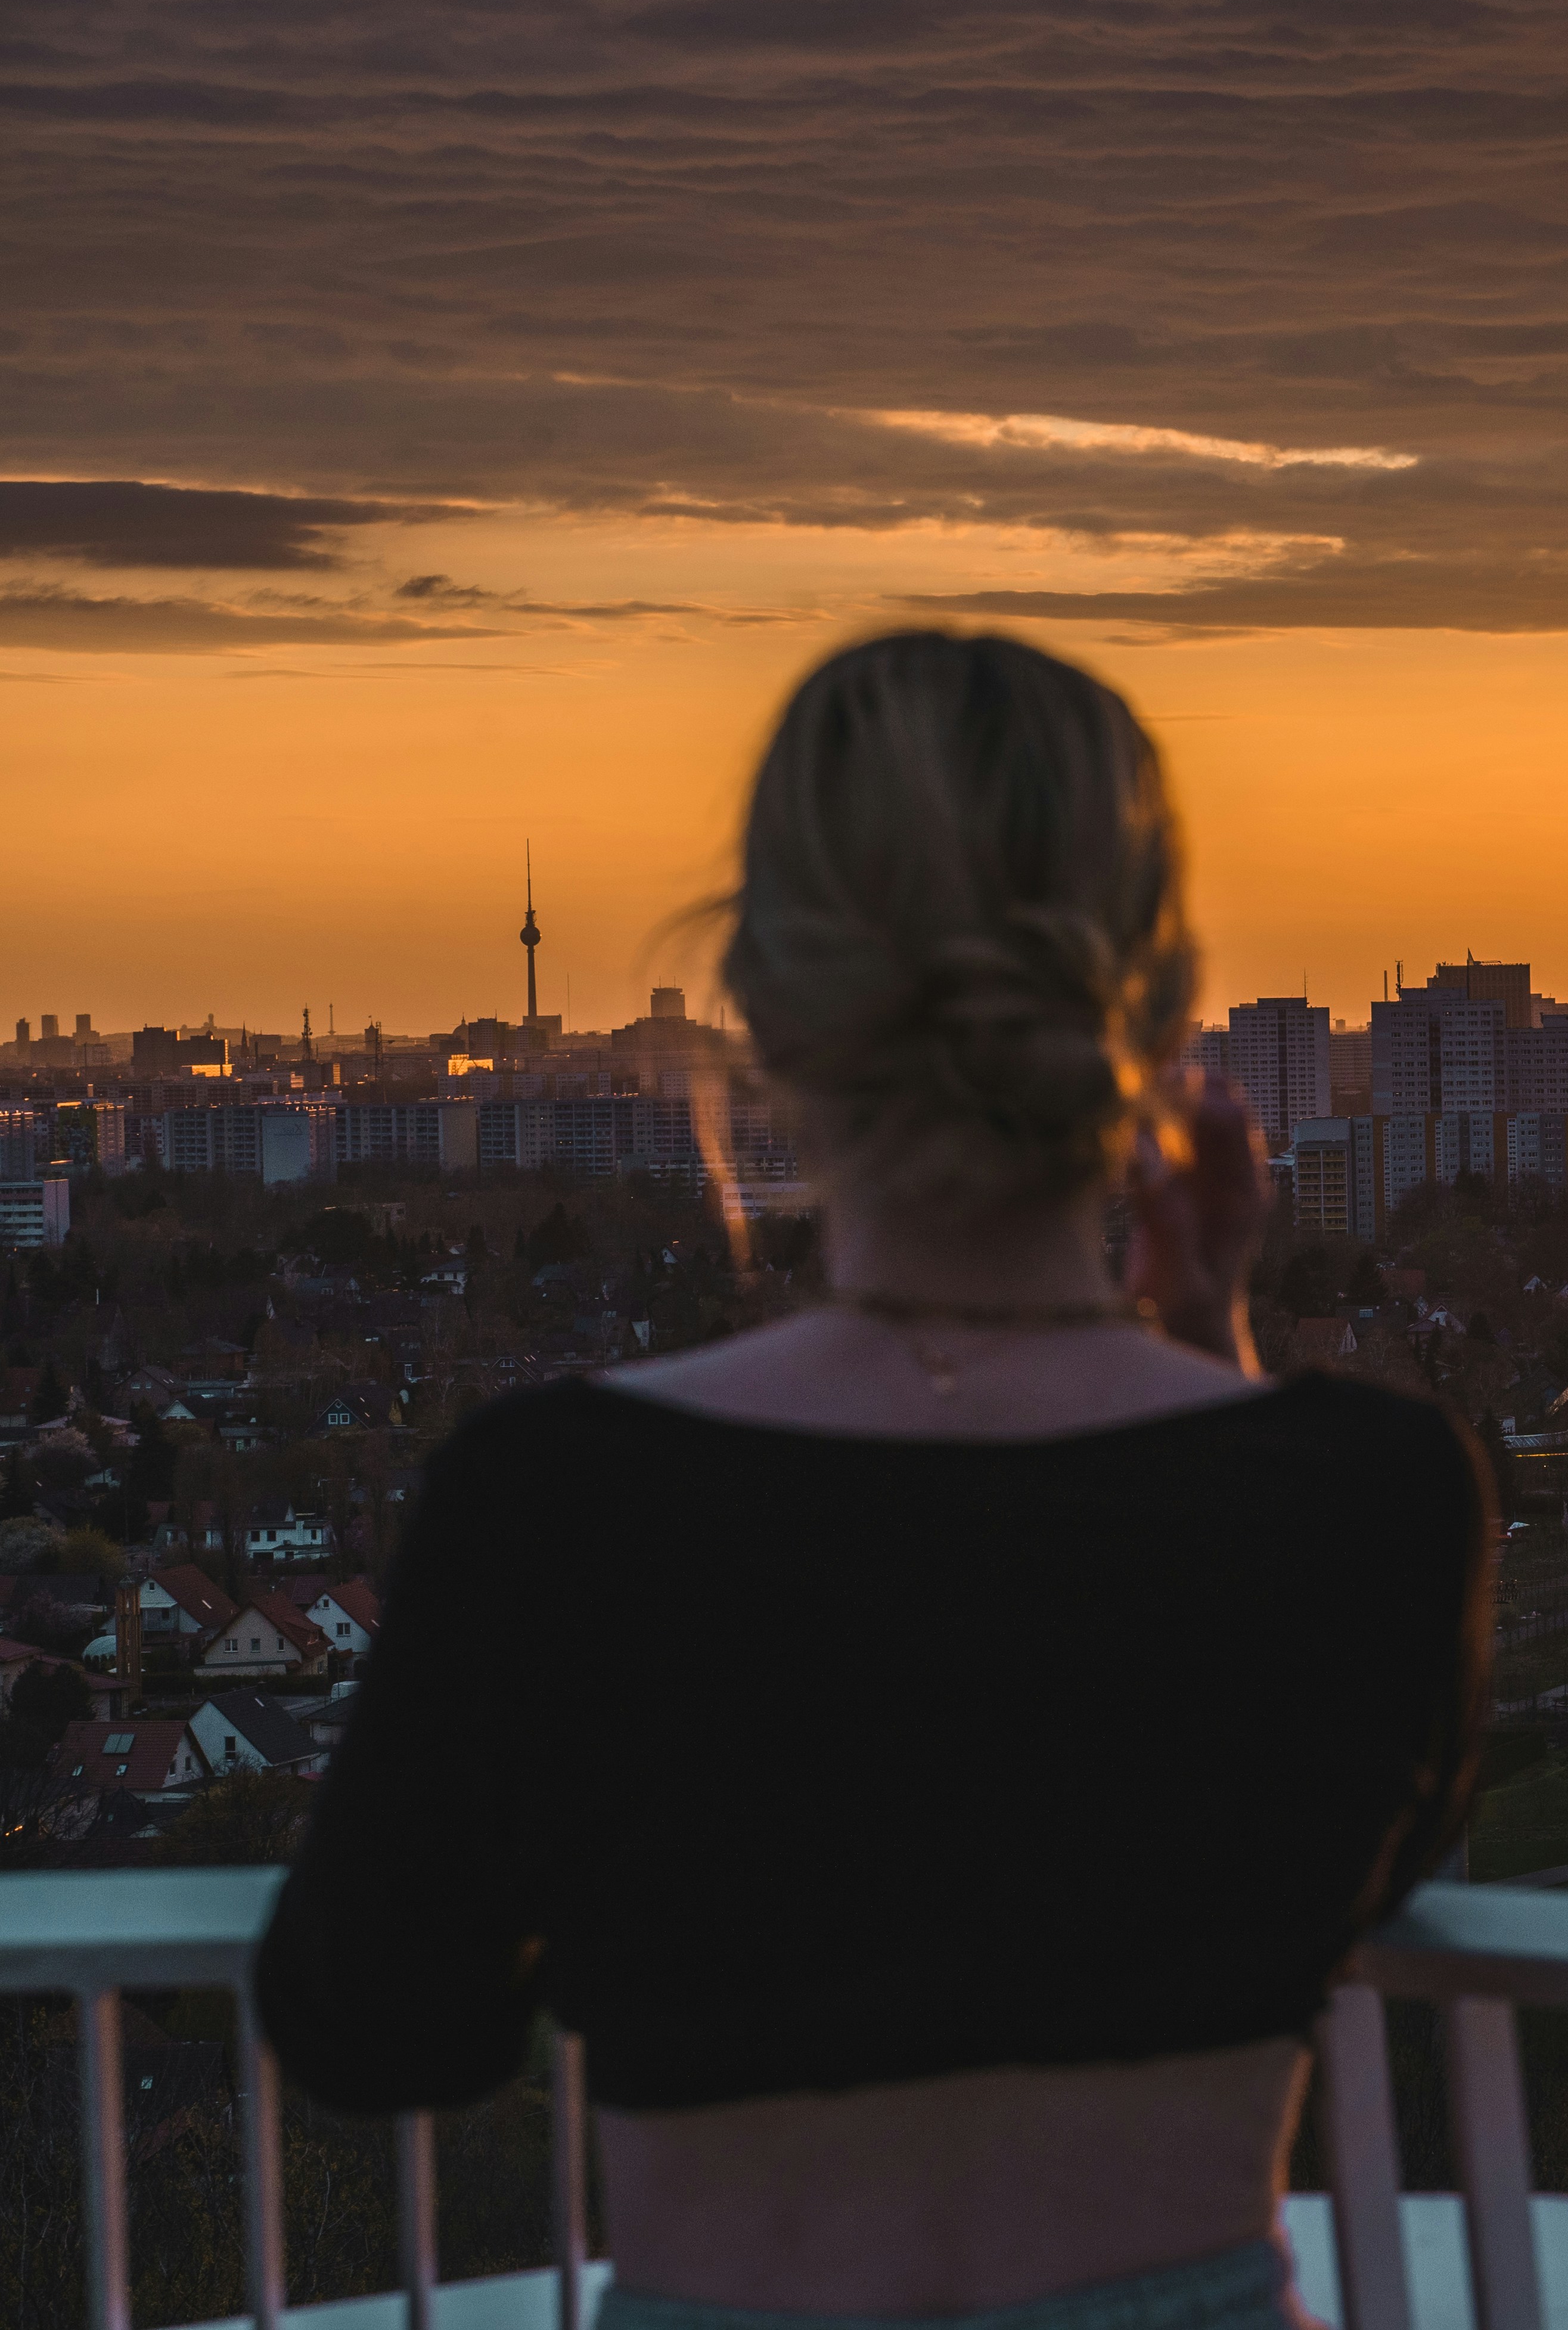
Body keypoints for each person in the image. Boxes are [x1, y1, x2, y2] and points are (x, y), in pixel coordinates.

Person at [257, 632, 1493, 2330]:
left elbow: (380, 2025)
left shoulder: (556, 1502)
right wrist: (1219, 1379)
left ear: (766, 1008)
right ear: (1151, 1004)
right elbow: (1360, 1846)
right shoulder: (1368, 1493)